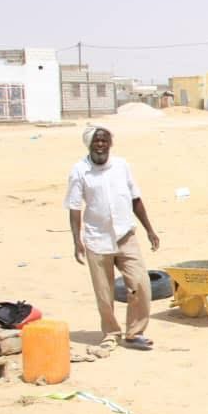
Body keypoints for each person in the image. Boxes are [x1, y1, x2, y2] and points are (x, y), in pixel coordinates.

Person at [65, 125, 160, 352]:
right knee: (104, 293)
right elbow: (74, 207)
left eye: (104, 141)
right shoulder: (80, 171)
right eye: (96, 141)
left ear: (110, 144)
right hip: (97, 240)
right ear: (89, 145)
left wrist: (149, 229)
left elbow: (135, 199)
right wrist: (77, 240)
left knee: (140, 284)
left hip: (125, 236)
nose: (100, 145)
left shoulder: (122, 166)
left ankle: (135, 333)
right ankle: (111, 333)